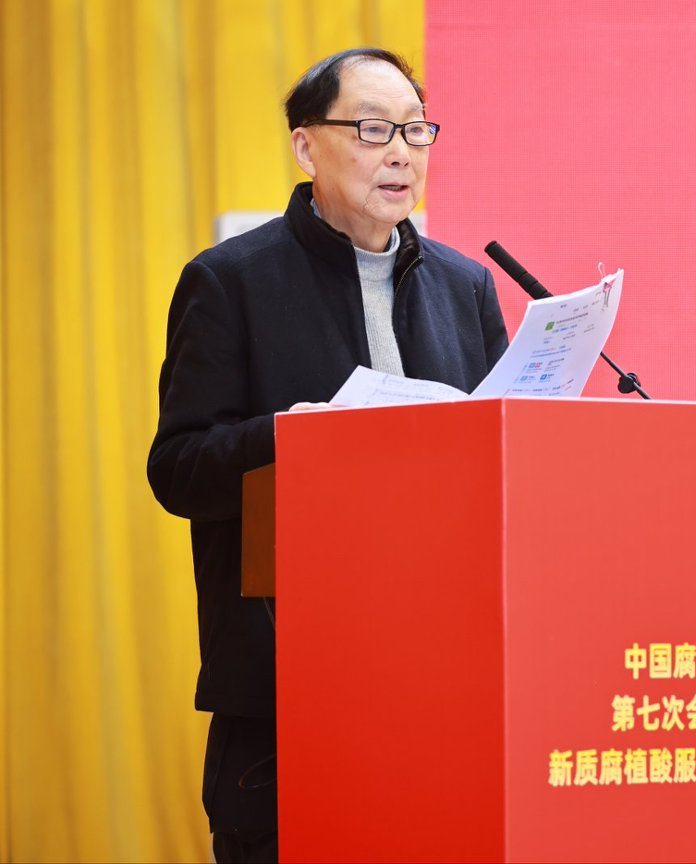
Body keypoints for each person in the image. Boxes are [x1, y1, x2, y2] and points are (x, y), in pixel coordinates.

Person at [147, 48, 508, 863]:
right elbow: (177, 469)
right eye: (374, 129)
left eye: (416, 130)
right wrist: (290, 436)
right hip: (289, 694)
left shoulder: (465, 287)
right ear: (306, 146)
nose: (402, 153)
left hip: (443, 689)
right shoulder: (230, 281)